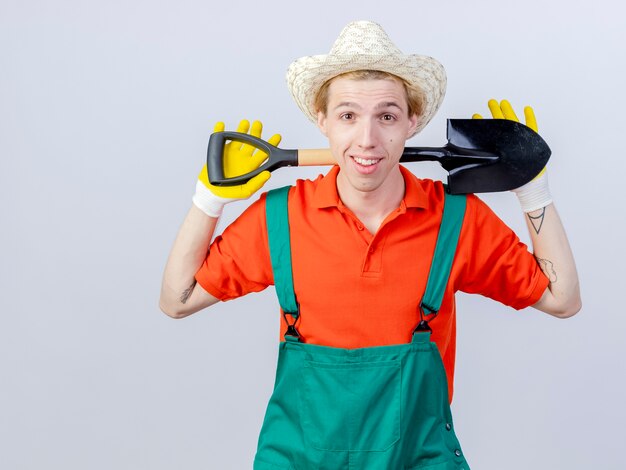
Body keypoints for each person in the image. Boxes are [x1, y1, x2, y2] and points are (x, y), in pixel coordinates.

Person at [160, 20, 581, 469]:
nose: (367, 140)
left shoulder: (456, 220)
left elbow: (562, 299)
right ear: (321, 120)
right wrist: (208, 200)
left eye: (386, 116)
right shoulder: (279, 218)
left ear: (411, 122)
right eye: (347, 115)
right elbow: (176, 300)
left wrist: (533, 190)